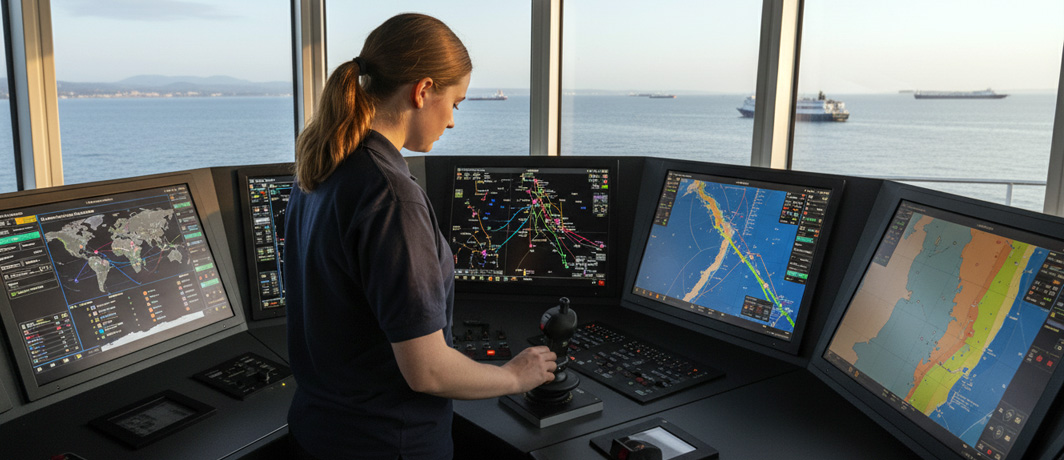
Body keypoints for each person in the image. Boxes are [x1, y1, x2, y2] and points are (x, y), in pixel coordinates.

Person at [283, 13, 558, 460]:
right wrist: (514, 376)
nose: (452, 121)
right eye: (456, 102)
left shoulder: (321, 166)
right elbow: (427, 371)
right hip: (387, 442)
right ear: (423, 90)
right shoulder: (391, 197)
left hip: (318, 431)